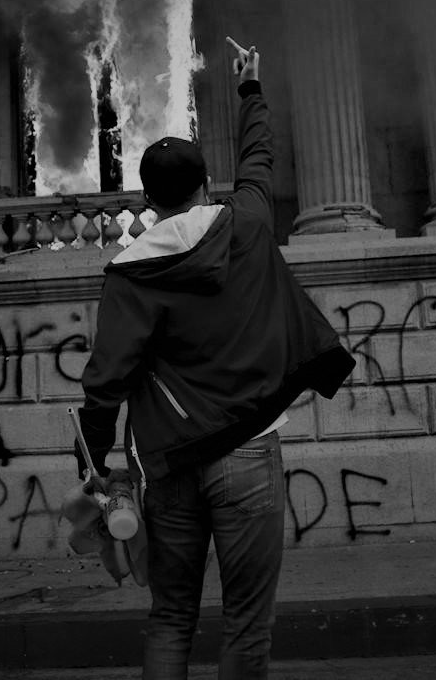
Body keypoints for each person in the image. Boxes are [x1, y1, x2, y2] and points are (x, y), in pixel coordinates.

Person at [76, 37, 355, 680]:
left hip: (170, 463)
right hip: (249, 453)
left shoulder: (128, 274)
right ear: (205, 186)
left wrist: (91, 467)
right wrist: (249, 88)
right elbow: (259, 159)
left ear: (147, 202)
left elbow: (105, 383)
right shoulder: (247, 222)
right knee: (246, 624)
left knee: (171, 617)